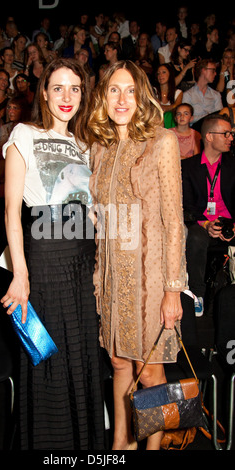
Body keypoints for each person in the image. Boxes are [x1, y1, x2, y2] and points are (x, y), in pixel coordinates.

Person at [1, 58, 105, 450]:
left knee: (81, 357)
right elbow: (12, 211)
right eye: (58, 88)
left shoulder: (86, 144)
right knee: (47, 360)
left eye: (75, 88)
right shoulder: (24, 134)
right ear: (43, 93)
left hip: (82, 260)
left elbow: (93, 211)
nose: (67, 96)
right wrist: (20, 273)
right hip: (44, 258)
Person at [88, 60, 186, 450]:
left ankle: (152, 446)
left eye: (130, 90)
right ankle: (120, 446)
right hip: (113, 277)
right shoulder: (100, 145)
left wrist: (173, 289)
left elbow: (174, 221)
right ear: (104, 96)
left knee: (150, 373)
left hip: (150, 277)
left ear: (142, 95)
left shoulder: (162, 141)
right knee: (117, 364)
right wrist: (99, 276)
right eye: (114, 89)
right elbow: (101, 221)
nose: (122, 98)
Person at [181, 114, 235, 316]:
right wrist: (206, 225)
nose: (230, 137)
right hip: (201, 223)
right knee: (195, 237)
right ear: (210, 137)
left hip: (230, 222)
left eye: (231, 134)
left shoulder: (232, 165)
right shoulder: (188, 167)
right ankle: (197, 295)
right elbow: (186, 206)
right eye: (226, 133)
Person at [0, 95, 29, 199]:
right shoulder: (5, 128)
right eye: (9, 107)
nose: (11, 111)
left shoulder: (28, 128)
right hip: (4, 162)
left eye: (15, 108)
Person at [182, 58, 223, 130]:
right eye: (213, 70)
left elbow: (220, 116)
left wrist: (199, 117)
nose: (215, 73)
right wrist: (210, 116)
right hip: (195, 131)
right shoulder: (188, 95)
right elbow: (187, 118)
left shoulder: (216, 95)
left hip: (213, 129)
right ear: (203, 70)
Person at [154, 63, 183, 128]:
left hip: (171, 123)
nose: (160, 75)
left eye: (164, 72)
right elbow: (157, 108)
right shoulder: (153, 91)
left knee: (170, 115)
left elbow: (177, 108)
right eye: (158, 73)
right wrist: (172, 106)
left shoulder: (178, 93)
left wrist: (165, 108)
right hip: (156, 122)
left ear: (170, 74)